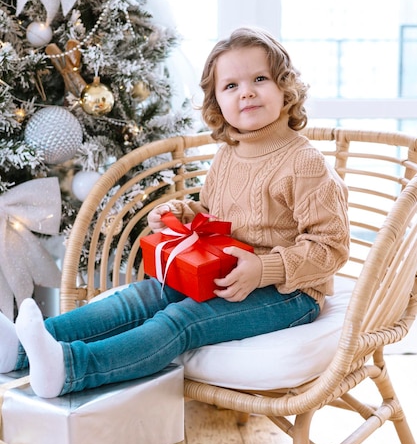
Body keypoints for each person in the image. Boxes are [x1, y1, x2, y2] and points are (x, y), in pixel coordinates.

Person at [0, 27, 350, 398]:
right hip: (223, 272)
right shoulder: (229, 154)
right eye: (231, 86)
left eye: (259, 79)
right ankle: (20, 349)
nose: (246, 91)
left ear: (285, 89)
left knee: (180, 321)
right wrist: (184, 214)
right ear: (217, 102)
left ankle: (71, 368)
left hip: (289, 294)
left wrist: (264, 269)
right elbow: (214, 215)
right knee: (142, 296)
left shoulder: (305, 164)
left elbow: (332, 247)